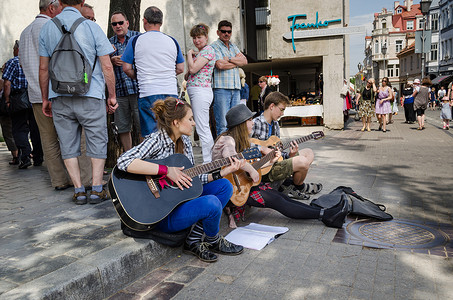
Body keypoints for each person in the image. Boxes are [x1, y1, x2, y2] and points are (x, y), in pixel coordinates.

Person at [117, 97, 244, 263]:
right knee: (211, 203)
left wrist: (223, 172)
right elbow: (123, 161)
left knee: (224, 186)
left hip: (180, 199)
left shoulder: (184, 141)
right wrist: (166, 170)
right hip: (162, 211)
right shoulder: (157, 140)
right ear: (176, 122)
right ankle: (212, 240)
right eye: (190, 119)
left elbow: (191, 179)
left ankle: (194, 239)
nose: (194, 123)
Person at [212, 104, 348, 229]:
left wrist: (269, 155)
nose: (253, 123)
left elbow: (257, 148)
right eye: (250, 120)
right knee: (278, 200)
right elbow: (232, 158)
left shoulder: (242, 139)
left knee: (281, 197)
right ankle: (327, 215)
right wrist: (251, 169)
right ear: (241, 124)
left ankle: (326, 213)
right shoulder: (227, 140)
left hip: (242, 184)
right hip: (231, 189)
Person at [39, 0, 118, 204]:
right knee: (97, 140)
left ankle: (78, 190)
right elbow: (107, 66)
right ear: (82, 2)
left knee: (67, 143)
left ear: (59, 2)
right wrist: (112, 96)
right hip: (90, 93)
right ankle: (97, 188)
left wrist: (45, 98)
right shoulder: (91, 27)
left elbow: (43, 69)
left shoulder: (48, 27)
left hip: (59, 95)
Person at [122, 6, 184, 137]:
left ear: (144, 21)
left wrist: (140, 77)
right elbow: (180, 68)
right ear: (161, 22)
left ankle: (155, 158)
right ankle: (172, 157)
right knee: (172, 133)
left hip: (147, 92)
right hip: (171, 92)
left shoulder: (135, 41)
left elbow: (126, 68)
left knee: (151, 136)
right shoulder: (172, 41)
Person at [251, 91, 322, 200]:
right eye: (281, 109)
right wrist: (262, 148)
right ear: (271, 106)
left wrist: (291, 153)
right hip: (264, 168)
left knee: (309, 153)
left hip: (276, 161)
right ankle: (299, 187)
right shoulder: (255, 123)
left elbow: (277, 149)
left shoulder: (275, 124)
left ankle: (295, 186)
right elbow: (243, 145)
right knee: (302, 161)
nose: (283, 114)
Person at [3, 41, 43, 169]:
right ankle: (38, 157)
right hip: (34, 96)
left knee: (18, 128)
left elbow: (7, 84)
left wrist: (7, 100)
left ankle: (25, 156)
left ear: (17, 50)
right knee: (35, 128)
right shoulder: (35, 61)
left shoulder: (12, 62)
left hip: (18, 99)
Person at [109, 11, 141, 152]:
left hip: (138, 89)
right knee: (122, 127)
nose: (118, 26)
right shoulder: (109, 43)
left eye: (120, 22)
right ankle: (129, 157)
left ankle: (142, 157)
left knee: (142, 125)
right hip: (120, 91)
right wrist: (110, 60)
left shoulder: (138, 37)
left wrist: (129, 60)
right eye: (114, 24)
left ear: (127, 23)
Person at [185, 23, 216, 163]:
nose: (196, 40)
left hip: (201, 91)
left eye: (199, 37)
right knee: (202, 125)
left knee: (202, 126)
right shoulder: (202, 53)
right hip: (197, 91)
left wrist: (189, 55)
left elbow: (192, 70)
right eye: (194, 38)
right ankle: (208, 159)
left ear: (206, 37)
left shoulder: (208, 51)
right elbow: (189, 74)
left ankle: (208, 161)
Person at [211, 20, 248, 136]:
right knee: (222, 124)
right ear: (218, 32)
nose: (226, 34)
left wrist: (229, 59)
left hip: (236, 89)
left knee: (236, 123)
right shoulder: (214, 46)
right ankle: (222, 153)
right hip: (221, 89)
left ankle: (234, 150)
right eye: (223, 31)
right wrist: (237, 62)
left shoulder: (233, 46)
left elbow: (245, 61)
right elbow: (220, 65)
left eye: (229, 32)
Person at [0, 74, 19, 165]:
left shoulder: (4, 82)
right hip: (18, 108)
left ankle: (16, 155)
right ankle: (22, 153)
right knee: (18, 131)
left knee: (8, 133)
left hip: (6, 111)